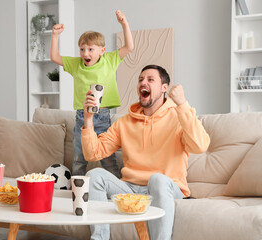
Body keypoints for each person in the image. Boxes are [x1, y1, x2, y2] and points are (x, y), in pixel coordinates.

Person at [81, 65, 210, 240]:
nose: (143, 82)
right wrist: (88, 119)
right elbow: (92, 154)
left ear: (164, 88)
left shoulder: (178, 116)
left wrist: (183, 104)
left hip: (166, 187)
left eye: (150, 79)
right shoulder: (124, 123)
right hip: (130, 188)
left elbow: (200, 146)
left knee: (156, 179)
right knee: (94, 174)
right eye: (141, 79)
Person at [50, 10, 134, 177]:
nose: (85, 53)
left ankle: (115, 188)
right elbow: (54, 56)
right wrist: (55, 36)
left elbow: (129, 47)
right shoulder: (76, 64)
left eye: (90, 49)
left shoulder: (110, 60)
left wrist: (124, 23)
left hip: (103, 116)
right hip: (82, 117)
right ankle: (77, 191)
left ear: (102, 50)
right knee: (79, 159)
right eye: (82, 49)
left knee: (108, 158)